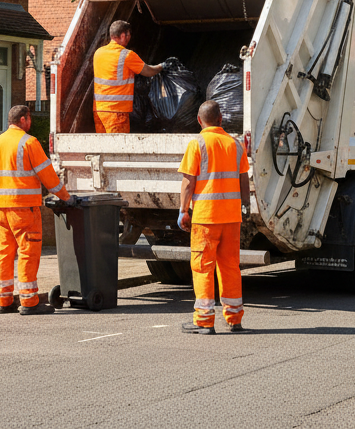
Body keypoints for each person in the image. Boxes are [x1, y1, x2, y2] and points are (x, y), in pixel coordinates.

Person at [0, 105, 74, 315]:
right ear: (24, 120)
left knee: (4, 252)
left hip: (0, 207)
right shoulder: (29, 142)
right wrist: (66, 197)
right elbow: (48, 176)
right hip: (23, 208)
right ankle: (28, 302)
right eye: (30, 119)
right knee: (28, 251)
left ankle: (4, 300)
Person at [177, 100, 251, 334]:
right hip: (231, 218)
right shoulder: (236, 145)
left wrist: (183, 210)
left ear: (199, 121)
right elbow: (244, 180)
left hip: (206, 219)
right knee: (230, 267)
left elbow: (189, 182)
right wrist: (246, 206)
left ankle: (204, 321)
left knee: (202, 268)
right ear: (221, 119)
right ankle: (234, 319)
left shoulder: (197, 143)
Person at [93, 19, 162, 133]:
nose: (129, 38)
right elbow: (148, 71)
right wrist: (161, 66)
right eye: (129, 34)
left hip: (99, 111)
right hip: (116, 112)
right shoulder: (127, 55)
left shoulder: (98, 53)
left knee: (104, 147)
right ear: (123, 35)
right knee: (118, 148)